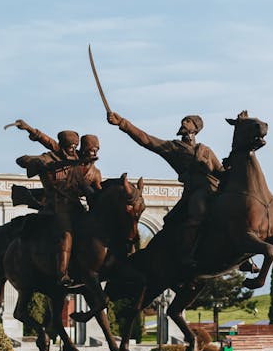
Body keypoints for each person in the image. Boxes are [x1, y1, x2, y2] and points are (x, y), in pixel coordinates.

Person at [107, 112, 223, 268]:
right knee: (197, 212)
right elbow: (146, 140)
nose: (183, 122)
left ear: (195, 128)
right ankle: (186, 254)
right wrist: (123, 123)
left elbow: (220, 171)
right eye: (183, 120)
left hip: (213, 190)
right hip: (195, 192)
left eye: (188, 121)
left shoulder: (206, 150)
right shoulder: (173, 148)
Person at [15, 121, 95, 285]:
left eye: (75, 146)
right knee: (67, 234)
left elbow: (84, 186)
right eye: (70, 146)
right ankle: (62, 273)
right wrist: (37, 162)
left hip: (76, 206)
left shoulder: (77, 161)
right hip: (58, 206)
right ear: (62, 146)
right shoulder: (51, 157)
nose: (73, 149)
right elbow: (26, 157)